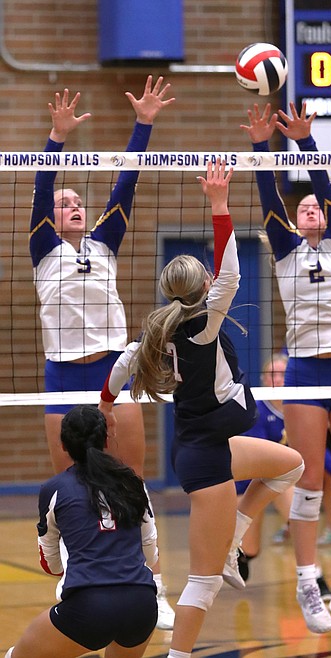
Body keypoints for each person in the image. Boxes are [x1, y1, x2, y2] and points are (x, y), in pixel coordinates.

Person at [98, 159, 305, 658]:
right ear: (205, 287)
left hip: (206, 445)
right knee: (203, 583)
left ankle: (236, 536)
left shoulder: (156, 335)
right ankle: (179, 655)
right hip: (207, 459)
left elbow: (119, 369)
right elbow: (231, 272)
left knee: (290, 464)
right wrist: (219, 204)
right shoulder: (204, 327)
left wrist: (106, 403)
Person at [29, 77, 176, 630]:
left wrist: (144, 124)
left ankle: (153, 582)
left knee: (131, 479)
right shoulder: (43, 250)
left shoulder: (104, 244)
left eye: (76, 203)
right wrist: (57, 137)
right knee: (72, 483)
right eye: (62, 203)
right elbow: (41, 186)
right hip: (61, 377)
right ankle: (75, 575)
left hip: (113, 374)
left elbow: (126, 186)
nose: (70, 206)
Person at [241, 102, 331, 634]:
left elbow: (326, 187)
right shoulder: (285, 251)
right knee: (307, 484)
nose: (313, 208)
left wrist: (305, 142)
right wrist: (261, 146)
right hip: (305, 375)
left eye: (319, 206)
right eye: (305, 208)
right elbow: (269, 196)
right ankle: (306, 581)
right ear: (295, 222)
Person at [5, 405, 158, 658]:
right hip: (142, 604)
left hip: (89, 608)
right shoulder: (133, 482)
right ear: (106, 440)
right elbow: (150, 552)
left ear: (63, 446)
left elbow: (51, 563)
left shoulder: (55, 488)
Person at [235, 353, 331, 601]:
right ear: (264, 379)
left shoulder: (301, 407)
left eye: (282, 374)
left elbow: (317, 450)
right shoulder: (256, 406)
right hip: (247, 483)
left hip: (280, 479)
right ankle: (243, 556)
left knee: (298, 515)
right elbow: (259, 456)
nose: (277, 379)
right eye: (272, 374)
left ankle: (316, 577)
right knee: (249, 548)